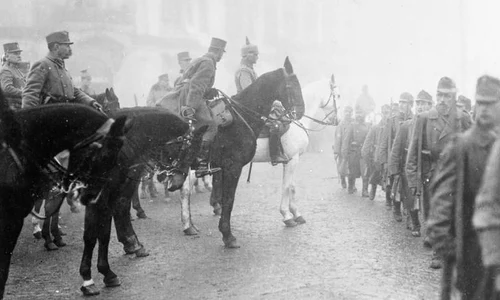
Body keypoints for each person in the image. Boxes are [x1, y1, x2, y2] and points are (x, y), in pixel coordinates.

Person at [428, 75, 500, 299]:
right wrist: (444, 242)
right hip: (470, 251)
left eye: (491, 103)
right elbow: (442, 198)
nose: (485, 109)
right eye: (481, 103)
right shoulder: (461, 146)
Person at [406, 76, 472, 269]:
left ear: (454, 97)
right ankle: (437, 251)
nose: (442, 100)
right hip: (432, 173)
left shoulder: (463, 118)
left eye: (447, 96)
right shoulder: (425, 118)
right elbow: (413, 151)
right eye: (439, 95)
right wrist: (412, 179)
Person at [159, 37, 226, 178]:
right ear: (219, 52)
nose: (222, 56)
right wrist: (191, 107)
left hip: (183, 94)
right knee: (211, 125)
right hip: (191, 97)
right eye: (222, 53)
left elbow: (188, 81)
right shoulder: (209, 63)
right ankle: (202, 164)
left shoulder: (200, 59)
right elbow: (197, 85)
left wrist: (209, 91)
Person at [22, 31, 102, 110]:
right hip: (50, 115)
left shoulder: (62, 67)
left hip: (65, 113)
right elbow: (30, 94)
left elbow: (73, 91)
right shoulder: (42, 65)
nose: (70, 49)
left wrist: (91, 102)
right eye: (67, 46)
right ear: (56, 47)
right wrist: (31, 117)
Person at [404, 90, 433, 237]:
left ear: (430, 105)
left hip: (428, 168)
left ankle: (429, 231)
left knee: (429, 204)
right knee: (411, 197)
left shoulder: (434, 123)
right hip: (413, 166)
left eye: (423, 103)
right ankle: (415, 222)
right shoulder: (409, 124)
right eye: (418, 103)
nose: (420, 106)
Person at [388, 92, 414, 222]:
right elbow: (388, 141)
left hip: (409, 157)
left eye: (405, 102)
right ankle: (396, 208)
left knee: (410, 188)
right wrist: (390, 163)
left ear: (411, 104)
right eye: (401, 102)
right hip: (396, 156)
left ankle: (409, 213)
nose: (402, 105)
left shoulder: (416, 119)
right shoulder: (393, 120)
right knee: (397, 185)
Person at [362, 104, 390, 200]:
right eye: (385, 113)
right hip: (376, 157)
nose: (386, 115)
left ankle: (388, 199)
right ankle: (372, 190)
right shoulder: (375, 128)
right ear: (381, 114)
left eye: (388, 113)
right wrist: (367, 158)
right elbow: (367, 143)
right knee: (374, 175)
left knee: (387, 178)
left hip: (387, 157)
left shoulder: (392, 128)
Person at [341, 106, 370, 195]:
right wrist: (345, 153)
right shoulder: (351, 126)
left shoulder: (368, 126)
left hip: (364, 152)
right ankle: (351, 187)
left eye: (361, 113)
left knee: (365, 172)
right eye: (357, 113)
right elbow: (346, 140)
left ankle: (365, 190)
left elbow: (370, 140)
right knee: (352, 171)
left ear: (364, 114)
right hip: (353, 151)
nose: (359, 115)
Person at [0, 42, 26, 110]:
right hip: (14, 106)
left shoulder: (16, 69)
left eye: (19, 53)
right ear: (7, 56)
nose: (19, 56)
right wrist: (24, 93)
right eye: (15, 54)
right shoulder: (6, 70)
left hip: (21, 103)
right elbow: (7, 89)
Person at [334, 106, 353, 189]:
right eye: (346, 112)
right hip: (342, 149)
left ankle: (351, 184)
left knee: (351, 168)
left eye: (349, 112)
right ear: (344, 113)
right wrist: (336, 151)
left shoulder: (353, 123)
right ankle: (342, 179)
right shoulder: (341, 125)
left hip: (352, 150)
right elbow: (338, 139)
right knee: (342, 167)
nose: (348, 113)